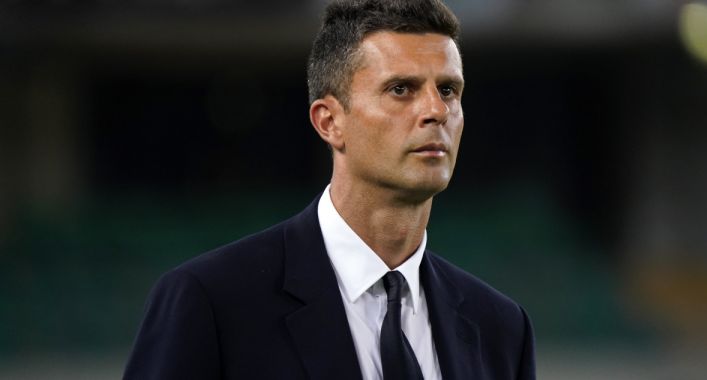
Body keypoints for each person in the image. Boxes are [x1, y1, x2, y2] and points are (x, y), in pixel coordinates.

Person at [123, 0, 536, 379]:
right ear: (329, 122)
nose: (435, 110)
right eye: (400, 89)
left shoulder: (501, 327)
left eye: (448, 90)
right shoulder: (211, 303)